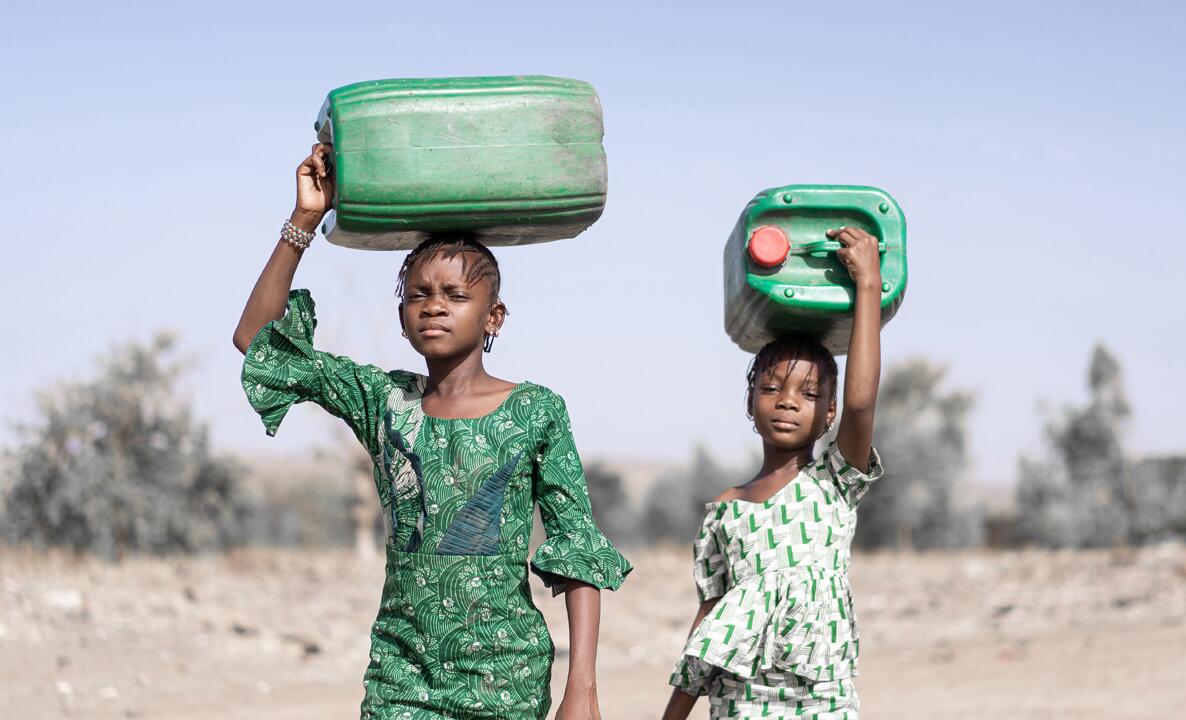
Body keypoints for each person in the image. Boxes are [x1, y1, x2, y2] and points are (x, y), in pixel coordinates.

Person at [233, 144, 631, 720]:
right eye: (417, 294)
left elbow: (578, 553)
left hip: (505, 675)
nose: (433, 307)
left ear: (494, 315)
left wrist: (583, 689)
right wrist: (304, 220)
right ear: (400, 316)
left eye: (455, 295)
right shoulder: (383, 400)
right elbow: (258, 343)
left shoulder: (535, 411)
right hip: (401, 674)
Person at [659, 226, 885, 719]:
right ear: (749, 400)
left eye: (809, 394)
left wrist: (868, 286)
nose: (787, 401)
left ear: (829, 413)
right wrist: (672, 716)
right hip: (740, 701)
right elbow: (710, 622)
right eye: (772, 387)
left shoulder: (834, 484)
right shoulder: (725, 509)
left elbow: (863, 402)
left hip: (821, 697)